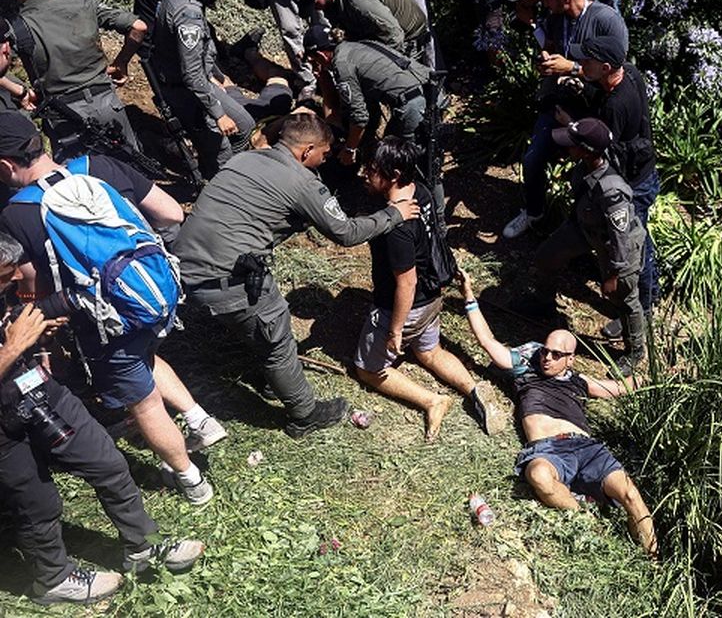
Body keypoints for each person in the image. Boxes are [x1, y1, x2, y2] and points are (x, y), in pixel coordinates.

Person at [0, 114, 226, 504]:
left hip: (103, 318)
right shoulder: (98, 166)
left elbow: (34, 286)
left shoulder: (17, 213)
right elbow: (172, 212)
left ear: (5, 166)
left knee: (144, 402)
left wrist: (35, 333)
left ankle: (192, 481)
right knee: (145, 356)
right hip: (152, 294)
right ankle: (198, 419)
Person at [173, 112, 419, 436]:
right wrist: (393, 214)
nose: (323, 161)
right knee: (276, 338)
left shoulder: (244, 159)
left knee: (257, 327)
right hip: (231, 281)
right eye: (324, 155)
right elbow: (345, 233)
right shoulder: (302, 180)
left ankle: (276, 375)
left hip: (184, 273)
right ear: (307, 152)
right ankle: (304, 414)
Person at [0, 243, 206, 605]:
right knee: (36, 505)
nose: (17, 276)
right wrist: (13, 348)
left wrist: (37, 338)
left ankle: (143, 547)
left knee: (107, 462)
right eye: (5, 274)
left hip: (38, 390)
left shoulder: (7, 291)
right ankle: (52, 579)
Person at [457, 274, 657, 555]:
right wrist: (468, 297)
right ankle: (585, 517)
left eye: (555, 354)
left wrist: (661, 380)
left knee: (630, 494)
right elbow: (488, 342)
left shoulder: (579, 380)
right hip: (548, 448)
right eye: (545, 351)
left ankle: (652, 558)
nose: (547, 358)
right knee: (538, 475)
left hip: (588, 448)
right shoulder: (527, 370)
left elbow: (620, 388)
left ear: (570, 359)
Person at [353, 138, 497, 441]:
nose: (363, 174)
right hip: (433, 298)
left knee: (368, 370)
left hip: (407, 306)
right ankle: (474, 390)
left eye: (372, 169)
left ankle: (432, 401)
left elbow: (406, 282)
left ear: (393, 173)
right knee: (429, 351)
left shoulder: (396, 227)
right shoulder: (422, 191)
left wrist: (394, 330)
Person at [503, 0, 630, 239]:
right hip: (561, 102)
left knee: (591, 173)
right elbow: (551, 45)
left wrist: (571, 68)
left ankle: (589, 229)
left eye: (547, 0)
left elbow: (618, 70)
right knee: (533, 158)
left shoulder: (607, 21)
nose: (543, 4)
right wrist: (547, 62)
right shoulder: (556, 18)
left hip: (596, 108)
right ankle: (534, 211)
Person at [149, 0, 293, 178]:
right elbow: (192, 75)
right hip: (185, 90)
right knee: (222, 145)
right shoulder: (188, 15)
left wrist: (215, 74)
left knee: (245, 125)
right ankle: (219, 179)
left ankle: (220, 169)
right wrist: (218, 114)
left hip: (198, 84)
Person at [531, 118, 649, 372]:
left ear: (586, 150)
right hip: (586, 227)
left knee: (625, 297)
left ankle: (635, 350)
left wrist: (614, 273)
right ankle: (542, 304)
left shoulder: (612, 190)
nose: (567, 147)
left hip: (618, 245)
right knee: (546, 256)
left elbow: (620, 235)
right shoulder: (586, 165)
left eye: (572, 144)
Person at [2, 0, 146, 159]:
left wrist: (20, 91)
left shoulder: (17, 27)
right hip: (107, 102)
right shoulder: (86, 4)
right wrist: (121, 62)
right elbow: (139, 26)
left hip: (64, 116)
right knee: (131, 172)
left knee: (79, 185)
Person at [574, 31, 660, 325]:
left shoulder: (615, 106)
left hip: (632, 185)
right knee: (639, 243)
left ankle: (641, 311)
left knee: (636, 249)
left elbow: (604, 148)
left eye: (587, 60)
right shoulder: (631, 73)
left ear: (607, 68)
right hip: (644, 173)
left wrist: (570, 125)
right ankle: (647, 298)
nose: (581, 63)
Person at [304, 25, 432, 163]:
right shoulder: (359, 46)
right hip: (430, 88)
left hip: (413, 103)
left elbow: (359, 117)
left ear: (321, 55)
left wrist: (349, 149)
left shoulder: (342, 64)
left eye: (314, 60)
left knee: (393, 157)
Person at [291, 0, 430, 66]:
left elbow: (394, 35)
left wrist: (379, 67)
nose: (315, 9)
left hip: (408, 35)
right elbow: (345, 35)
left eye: (314, 4)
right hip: (379, 33)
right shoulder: (331, 0)